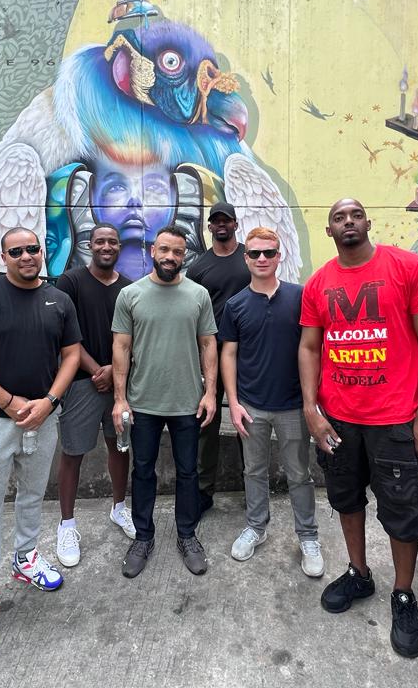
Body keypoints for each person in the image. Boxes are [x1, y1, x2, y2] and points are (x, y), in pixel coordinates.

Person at [298, 198, 418, 659]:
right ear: (329, 230)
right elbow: (309, 347)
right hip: (339, 419)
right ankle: (359, 574)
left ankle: (403, 593)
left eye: (355, 215)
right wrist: (311, 410)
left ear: (368, 222)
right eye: (339, 217)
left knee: (402, 512)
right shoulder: (319, 283)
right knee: (345, 500)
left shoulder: (408, 268)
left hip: (394, 419)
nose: (348, 221)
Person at [0, 227, 81, 657]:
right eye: (16, 250)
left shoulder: (59, 300)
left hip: (43, 418)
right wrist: (7, 402)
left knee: (32, 496)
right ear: (3, 256)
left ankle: (25, 559)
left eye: (33, 248)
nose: (26, 256)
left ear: (42, 252)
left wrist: (50, 401)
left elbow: (72, 355)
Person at [111, 224, 217, 578]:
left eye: (178, 252)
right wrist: (120, 399)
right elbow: (121, 347)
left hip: (188, 402)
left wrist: (210, 393)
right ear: (152, 251)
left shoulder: (199, 295)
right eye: (165, 250)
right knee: (143, 471)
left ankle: (187, 535)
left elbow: (208, 344)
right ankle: (143, 537)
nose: (171, 257)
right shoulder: (131, 295)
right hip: (143, 402)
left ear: (185, 255)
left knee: (188, 472)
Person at [219, 227, 324, 578]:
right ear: (246, 258)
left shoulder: (300, 296)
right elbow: (229, 354)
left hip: (293, 405)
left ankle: (308, 536)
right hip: (251, 406)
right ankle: (256, 526)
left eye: (269, 252)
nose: (262, 258)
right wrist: (234, 402)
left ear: (280, 256)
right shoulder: (235, 305)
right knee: (253, 471)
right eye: (255, 253)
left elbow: (314, 348)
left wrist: (312, 401)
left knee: (299, 473)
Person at [53, 223, 136, 567]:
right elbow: (64, 335)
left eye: (112, 242)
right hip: (81, 383)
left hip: (121, 384)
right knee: (73, 452)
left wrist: (115, 372)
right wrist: (95, 371)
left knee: (120, 446)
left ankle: (119, 508)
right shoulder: (70, 282)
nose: (106, 246)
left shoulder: (129, 288)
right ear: (89, 245)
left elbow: (133, 337)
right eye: (100, 241)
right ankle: (67, 525)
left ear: (119, 248)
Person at [187, 201, 251, 514]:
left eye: (227, 220)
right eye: (216, 221)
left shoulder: (251, 257)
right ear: (210, 226)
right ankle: (203, 493)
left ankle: (253, 491)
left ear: (235, 224)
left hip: (247, 353)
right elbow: (193, 312)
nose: (221, 225)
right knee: (206, 423)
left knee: (247, 424)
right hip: (210, 352)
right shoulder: (198, 267)